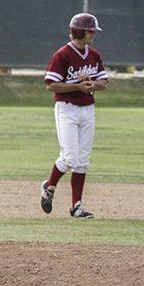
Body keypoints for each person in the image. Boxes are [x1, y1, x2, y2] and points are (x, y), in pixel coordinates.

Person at [41, 13, 109, 219]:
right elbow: (50, 84)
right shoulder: (62, 55)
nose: (93, 35)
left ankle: (76, 206)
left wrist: (92, 85)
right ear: (79, 31)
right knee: (70, 157)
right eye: (90, 31)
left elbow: (104, 82)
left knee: (82, 160)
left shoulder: (94, 55)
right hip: (66, 108)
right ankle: (49, 185)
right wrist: (78, 86)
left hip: (88, 109)